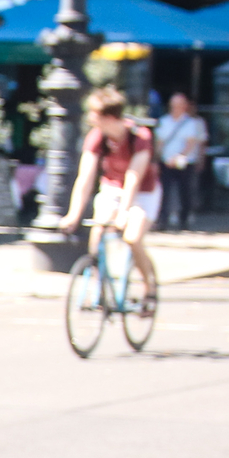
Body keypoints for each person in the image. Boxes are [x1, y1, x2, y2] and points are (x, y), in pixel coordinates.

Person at [56, 87, 160, 299]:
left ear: (110, 117)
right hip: (112, 187)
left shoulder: (140, 137)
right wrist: (73, 215)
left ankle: (149, 286)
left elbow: (133, 177)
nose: (90, 118)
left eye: (94, 113)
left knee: (132, 238)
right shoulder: (96, 137)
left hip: (144, 192)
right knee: (98, 233)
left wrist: (124, 212)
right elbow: (85, 177)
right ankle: (100, 289)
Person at [154, 92, 207, 232]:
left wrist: (178, 156)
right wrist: (157, 159)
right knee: (164, 192)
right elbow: (159, 142)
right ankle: (162, 221)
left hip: (185, 163)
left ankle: (184, 221)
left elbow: (191, 143)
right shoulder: (164, 121)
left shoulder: (191, 123)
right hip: (166, 163)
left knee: (186, 192)